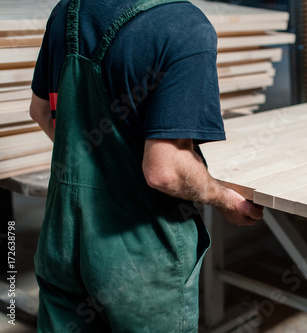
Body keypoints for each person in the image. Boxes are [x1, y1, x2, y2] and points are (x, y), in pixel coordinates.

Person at [29, 0, 263, 331]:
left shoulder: (68, 10)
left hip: (61, 235)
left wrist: (96, 165)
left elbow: (40, 111)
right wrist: (224, 199)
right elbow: (164, 171)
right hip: (136, 254)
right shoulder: (183, 25)